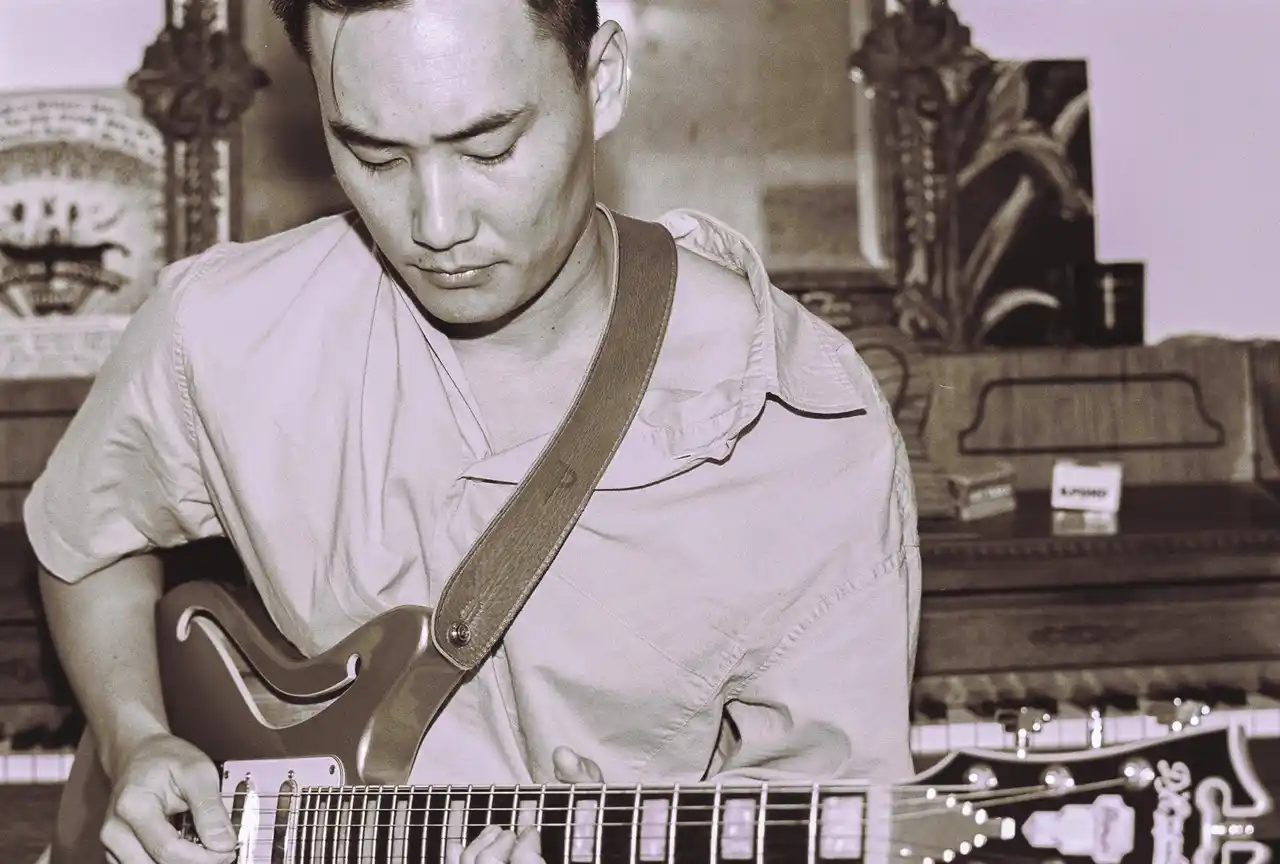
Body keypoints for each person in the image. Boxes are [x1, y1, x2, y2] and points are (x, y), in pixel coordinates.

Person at [26, 0, 922, 862]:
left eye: (487, 148)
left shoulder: (802, 422)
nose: (437, 226)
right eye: (374, 156)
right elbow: (84, 543)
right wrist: (135, 737)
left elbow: (840, 814)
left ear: (603, 81)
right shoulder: (220, 325)